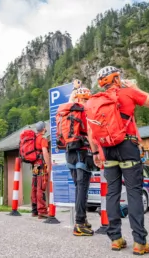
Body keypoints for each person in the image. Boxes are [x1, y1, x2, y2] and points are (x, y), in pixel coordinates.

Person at [88, 66, 149, 255]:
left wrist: (96, 154)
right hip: (128, 147)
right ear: (117, 78)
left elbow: (90, 132)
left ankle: (116, 239)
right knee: (134, 193)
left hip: (107, 150)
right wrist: (135, 87)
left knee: (112, 193)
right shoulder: (128, 92)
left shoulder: (96, 101)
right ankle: (139, 242)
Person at [65, 86, 94, 236]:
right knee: (83, 187)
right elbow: (90, 132)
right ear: (84, 99)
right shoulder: (84, 111)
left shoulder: (68, 110)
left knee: (78, 187)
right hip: (82, 152)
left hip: (69, 152)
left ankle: (82, 219)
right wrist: (96, 151)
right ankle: (80, 223)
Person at [31, 121, 51, 219]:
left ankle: (34, 210)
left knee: (34, 186)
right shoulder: (43, 139)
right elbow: (45, 153)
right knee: (41, 187)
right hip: (41, 166)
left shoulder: (33, 139)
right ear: (43, 128)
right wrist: (48, 166)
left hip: (35, 166)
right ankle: (42, 211)